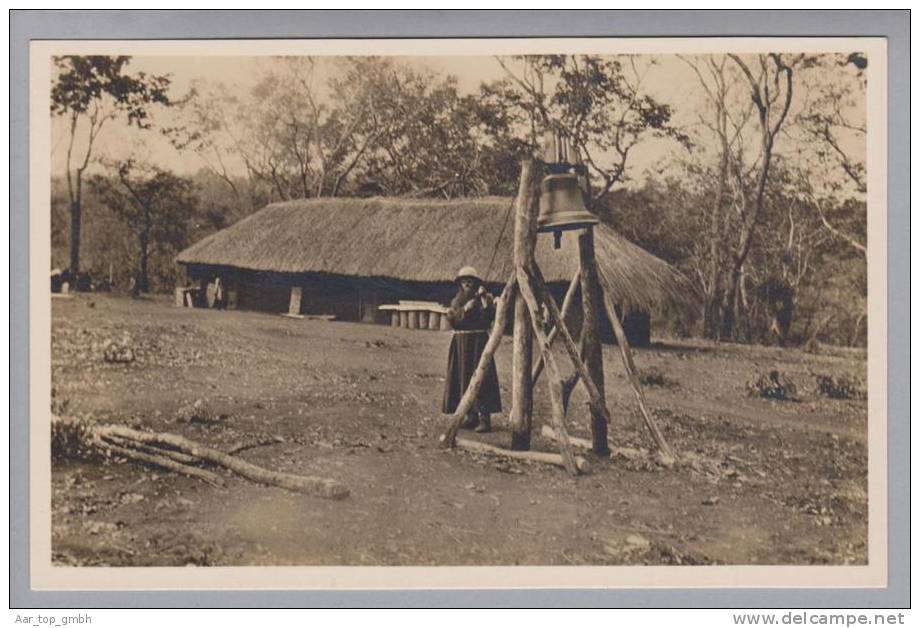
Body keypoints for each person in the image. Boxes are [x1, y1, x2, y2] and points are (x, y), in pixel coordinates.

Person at [441, 266, 502, 433]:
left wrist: (483, 300)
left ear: (475, 283)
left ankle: (484, 418)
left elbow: (489, 317)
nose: (467, 284)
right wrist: (464, 310)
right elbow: (452, 320)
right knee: (463, 377)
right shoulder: (456, 301)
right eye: (464, 281)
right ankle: (470, 415)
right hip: (461, 344)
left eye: (470, 281)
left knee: (482, 378)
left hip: (478, 343)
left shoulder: (483, 299)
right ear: (460, 284)